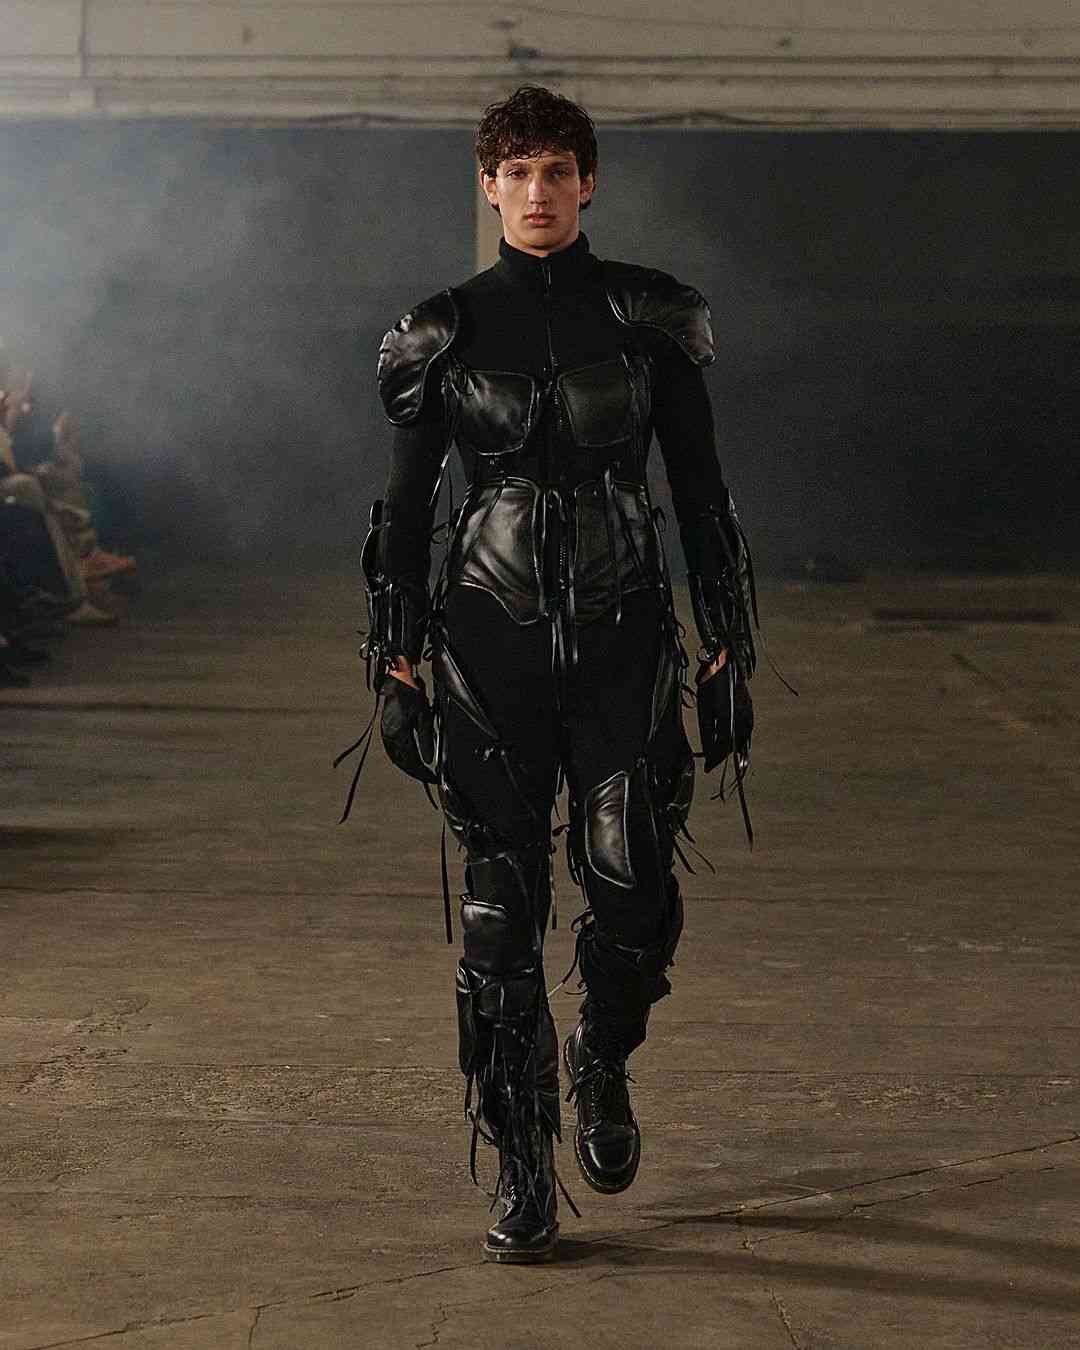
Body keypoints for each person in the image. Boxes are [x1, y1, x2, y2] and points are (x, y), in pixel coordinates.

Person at [354, 85, 756, 1264]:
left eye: (556, 171)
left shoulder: (649, 316)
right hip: (489, 651)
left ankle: (604, 1058)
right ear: (489, 186)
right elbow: (404, 509)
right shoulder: (442, 331)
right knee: (500, 918)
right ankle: (522, 1160)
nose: (537, 191)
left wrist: (727, 646)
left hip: (626, 644)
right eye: (517, 171)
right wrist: (396, 662)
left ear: (588, 183)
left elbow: (700, 490)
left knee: (632, 886)